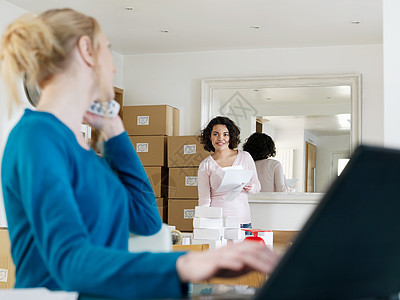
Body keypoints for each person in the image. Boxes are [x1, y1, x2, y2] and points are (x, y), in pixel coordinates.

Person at [0, 9, 278, 299]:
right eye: (107, 49)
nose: (114, 68)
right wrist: (187, 262)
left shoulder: (89, 154)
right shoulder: (37, 136)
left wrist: (116, 132)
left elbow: (146, 221)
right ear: (86, 50)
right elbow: (71, 261)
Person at [198, 116, 261, 232]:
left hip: (242, 221)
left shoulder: (245, 157)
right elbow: (204, 199)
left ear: (231, 137)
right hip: (217, 222)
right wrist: (202, 225)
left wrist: (250, 187)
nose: (220, 138)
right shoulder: (205, 165)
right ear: (209, 137)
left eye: (225, 134)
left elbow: (257, 187)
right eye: (216, 134)